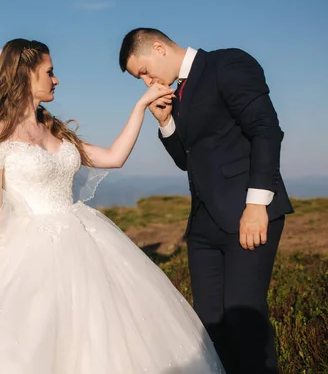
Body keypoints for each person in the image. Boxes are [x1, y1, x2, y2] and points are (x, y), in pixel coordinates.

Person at [0, 38, 224, 373]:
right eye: (49, 72)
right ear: (25, 75)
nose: (56, 80)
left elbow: (114, 157)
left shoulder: (54, 129)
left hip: (84, 238)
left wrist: (141, 106)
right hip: (29, 251)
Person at [118, 28, 294, 374]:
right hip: (202, 227)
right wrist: (166, 122)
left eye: (143, 71)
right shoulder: (175, 93)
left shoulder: (227, 64)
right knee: (209, 326)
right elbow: (189, 158)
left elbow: (266, 130)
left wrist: (256, 205)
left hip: (248, 214)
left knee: (245, 319)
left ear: (158, 47)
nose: (146, 81)